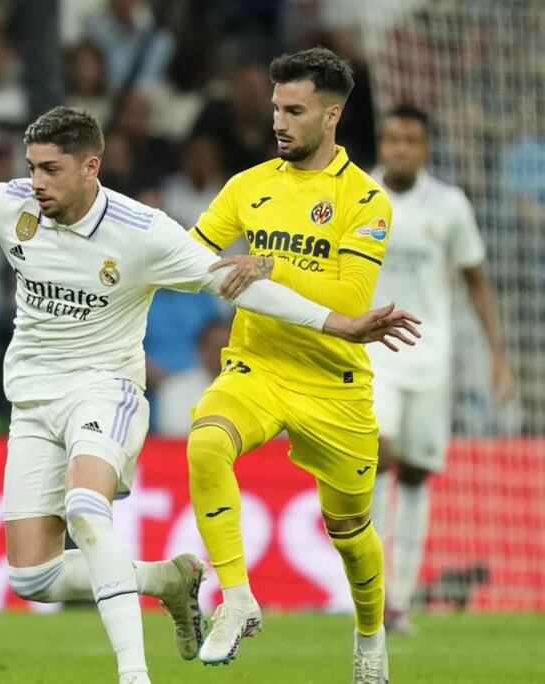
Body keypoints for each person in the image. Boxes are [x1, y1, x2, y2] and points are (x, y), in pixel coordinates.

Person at [0, 106, 418, 683]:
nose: (37, 182)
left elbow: (238, 284)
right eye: (32, 167)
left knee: (87, 508)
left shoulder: (144, 233)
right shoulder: (12, 206)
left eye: (51, 170)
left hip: (106, 391)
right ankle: (166, 579)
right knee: (32, 576)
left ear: (91, 167)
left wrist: (338, 324)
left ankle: (133, 675)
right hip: (33, 402)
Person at [184, 48, 396, 680]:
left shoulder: (366, 200)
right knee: (205, 444)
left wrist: (271, 265)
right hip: (258, 365)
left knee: (350, 531)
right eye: (276, 108)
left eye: (294, 110)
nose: (278, 121)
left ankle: (370, 638)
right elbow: (190, 256)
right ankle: (236, 598)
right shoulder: (246, 186)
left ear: (331, 115)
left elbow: (351, 301)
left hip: (334, 384)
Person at [367, 105, 513, 635]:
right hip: (374, 352)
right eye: (392, 139)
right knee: (378, 455)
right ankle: (371, 593)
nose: (401, 149)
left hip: (431, 356)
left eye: (411, 140)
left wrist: (497, 355)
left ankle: (399, 602)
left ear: (426, 149)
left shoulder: (450, 205)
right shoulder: (358, 195)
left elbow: (475, 279)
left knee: (415, 474)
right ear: (381, 144)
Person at [154, 319, 230, 436]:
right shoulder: (174, 389)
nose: (221, 354)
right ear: (201, 349)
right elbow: (174, 434)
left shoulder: (252, 389)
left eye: (227, 348)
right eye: (215, 348)